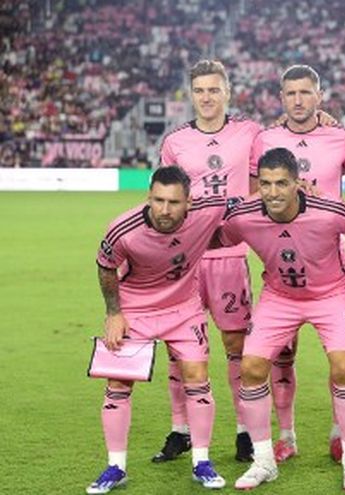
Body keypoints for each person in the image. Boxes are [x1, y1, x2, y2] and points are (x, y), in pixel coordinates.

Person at [248, 64, 345, 463]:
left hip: (329, 265)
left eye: (305, 92)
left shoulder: (342, 139)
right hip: (282, 267)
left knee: (341, 359)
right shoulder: (266, 140)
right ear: (280, 98)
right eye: (291, 93)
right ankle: (286, 436)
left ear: (320, 95)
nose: (298, 100)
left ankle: (340, 432)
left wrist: (327, 204)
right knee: (282, 355)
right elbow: (253, 201)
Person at [225, 148, 345, 491]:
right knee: (251, 369)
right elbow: (215, 237)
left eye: (282, 184)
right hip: (280, 297)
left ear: (298, 183)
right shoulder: (243, 216)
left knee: (344, 368)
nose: (273, 192)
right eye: (266, 184)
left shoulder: (330, 210)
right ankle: (264, 461)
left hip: (332, 294)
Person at [88, 166, 228, 493]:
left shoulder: (209, 210)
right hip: (135, 309)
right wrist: (114, 313)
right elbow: (105, 266)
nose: (164, 210)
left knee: (196, 375)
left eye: (173, 202)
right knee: (118, 383)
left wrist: (303, 190)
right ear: (149, 197)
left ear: (189, 202)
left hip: (184, 308)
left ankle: (202, 462)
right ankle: (115, 467)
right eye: (158, 200)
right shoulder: (123, 229)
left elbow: (251, 203)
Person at [157, 60, 261, 463]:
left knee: (236, 343)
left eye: (214, 89)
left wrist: (323, 117)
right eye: (199, 90)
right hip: (184, 257)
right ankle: (180, 430)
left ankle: (244, 431)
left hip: (229, 256)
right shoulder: (176, 141)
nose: (206, 97)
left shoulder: (249, 132)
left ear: (227, 92)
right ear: (191, 94)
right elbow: (165, 200)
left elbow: (275, 157)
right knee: (178, 347)